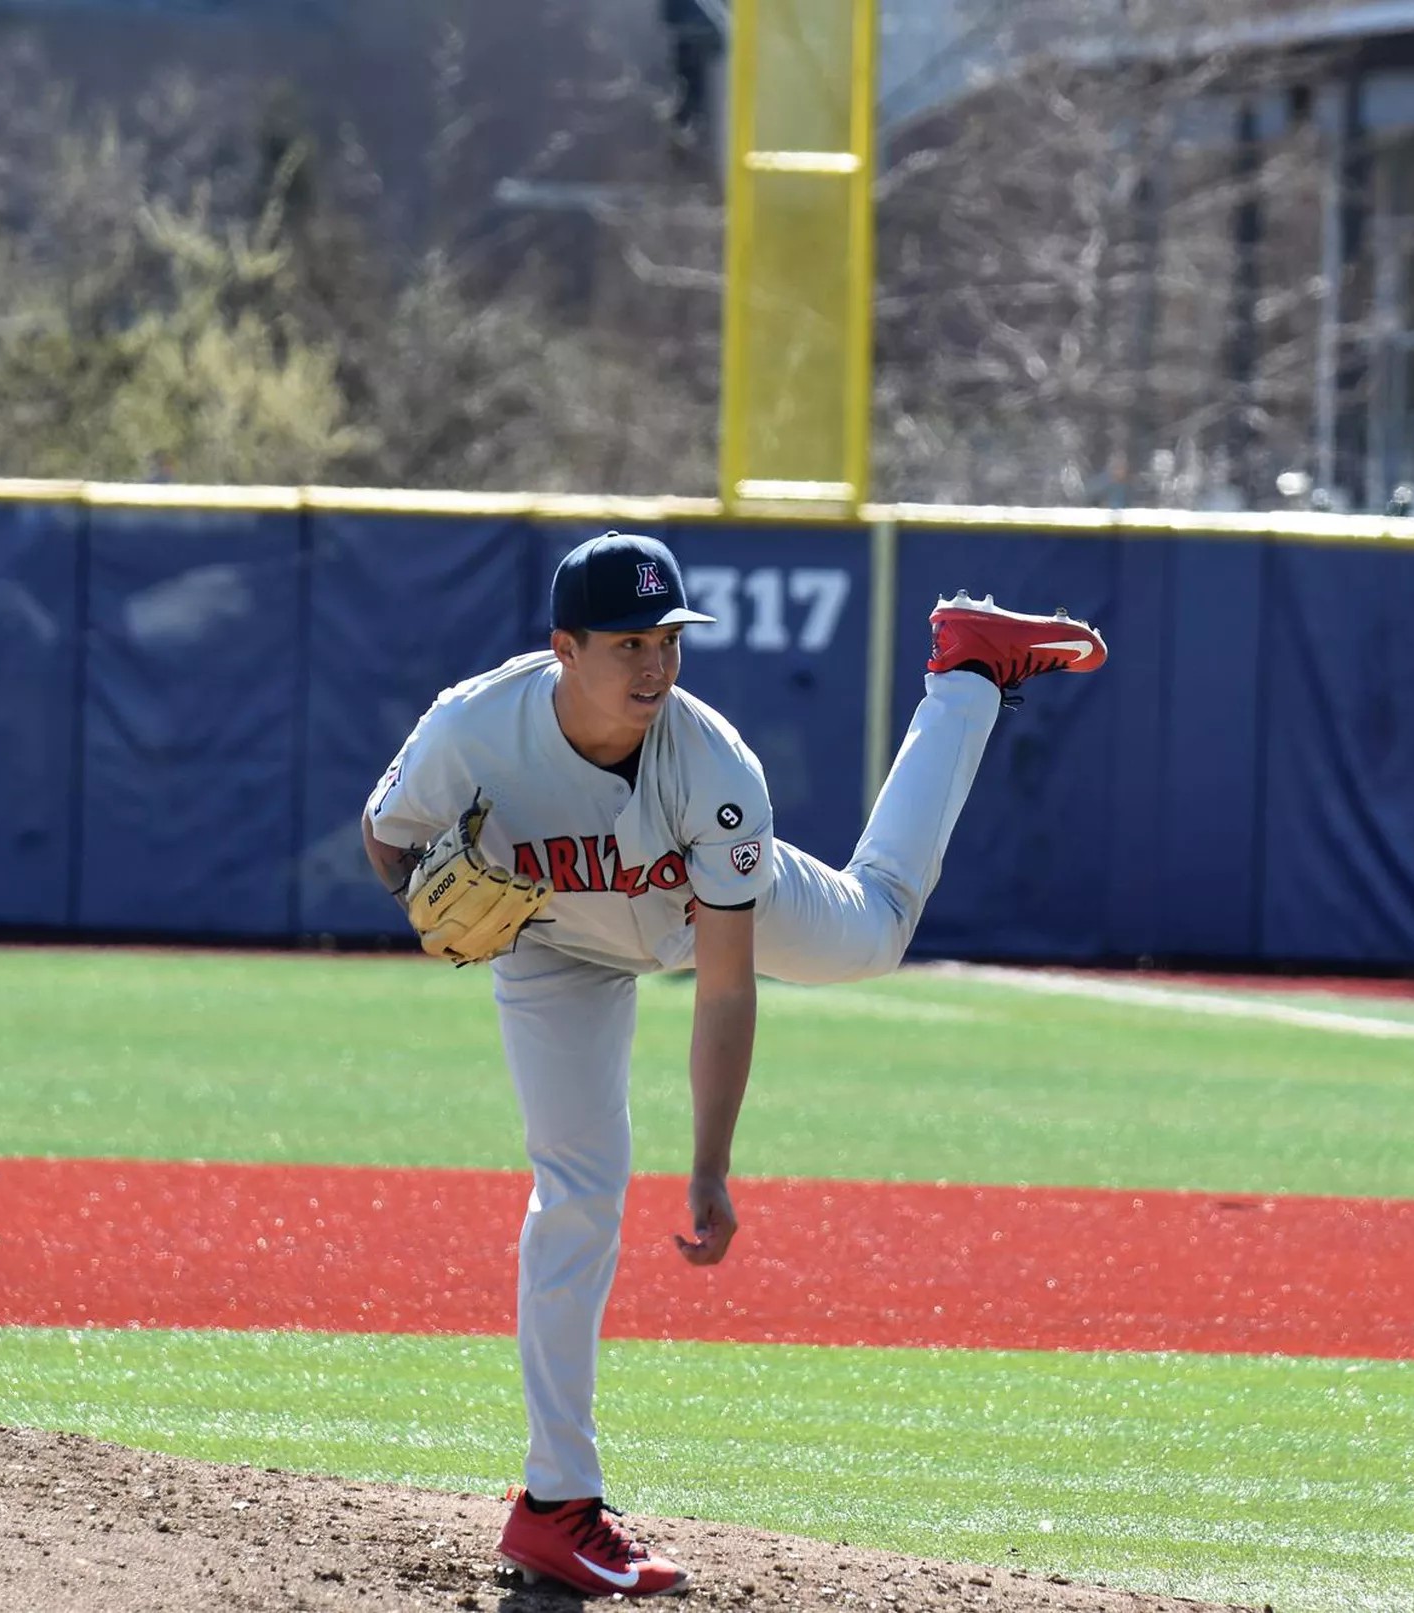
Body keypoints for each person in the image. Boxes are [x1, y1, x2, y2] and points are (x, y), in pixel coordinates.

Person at [359, 531, 1106, 1597]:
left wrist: (708, 1167)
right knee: (576, 1190)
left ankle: (967, 673)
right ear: (562, 646)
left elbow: (722, 983)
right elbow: (386, 832)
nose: (654, 664)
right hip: (550, 946)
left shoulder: (710, 763)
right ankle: (554, 1503)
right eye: (628, 642)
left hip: (682, 920)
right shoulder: (472, 725)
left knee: (874, 931)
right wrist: (415, 903)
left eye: (669, 638)